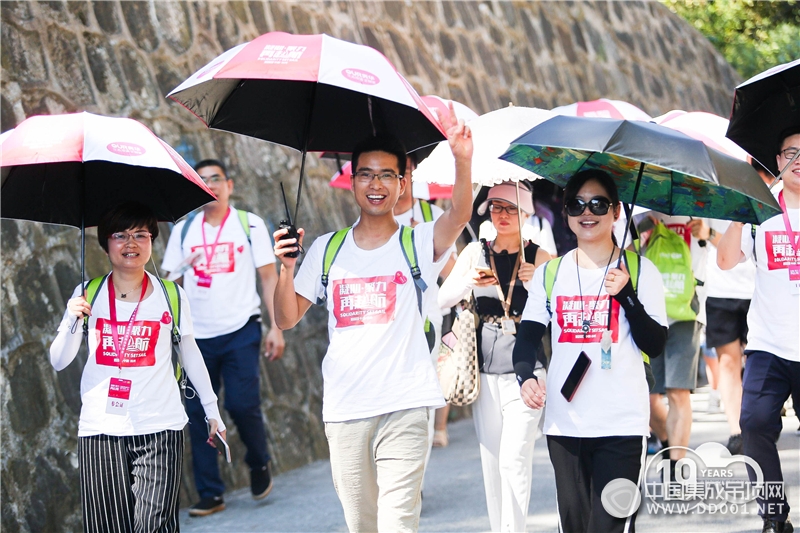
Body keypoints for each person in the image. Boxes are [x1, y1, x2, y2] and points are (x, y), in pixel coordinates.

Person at [272, 106, 473, 532]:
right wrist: (286, 268)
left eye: (387, 175)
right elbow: (286, 317)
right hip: (346, 410)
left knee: (398, 523)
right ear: (352, 181)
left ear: (403, 182)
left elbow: (457, 215)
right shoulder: (328, 249)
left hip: (405, 404)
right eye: (366, 174)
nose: (376, 184)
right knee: (362, 525)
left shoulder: (417, 242)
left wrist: (462, 160)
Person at [49, 201, 225, 533]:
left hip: (161, 425)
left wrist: (211, 408)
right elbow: (59, 361)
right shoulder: (88, 294)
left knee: (155, 525)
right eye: (120, 235)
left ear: (152, 241)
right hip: (101, 430)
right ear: (105, 244)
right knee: (108, 527)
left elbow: (189, 351)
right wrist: (72, 319)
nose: (131, 243)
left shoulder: (171, 294)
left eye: (141, 234)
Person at [513, 169, 668, 533]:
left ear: (616, 211)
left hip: (623, 425)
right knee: (576, 526)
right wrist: (526, 375)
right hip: (565, 425)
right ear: (566, 213)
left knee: (609, 527)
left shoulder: (643, 272)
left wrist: (628, 297)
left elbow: (655, 344)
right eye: (576, 204)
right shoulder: (550, 274)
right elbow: (528, 337)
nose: (587, 212)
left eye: (598, 203)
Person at [161, 159, 284, 516]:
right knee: (198, 411)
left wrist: (276, 327)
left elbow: (268, 277)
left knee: (242, 405)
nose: (211, 185)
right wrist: (185, 264)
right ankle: (210, 493)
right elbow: (169, 281)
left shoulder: (249, 225)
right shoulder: (184, 230)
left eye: (216, 179)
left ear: (229, 185)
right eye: (203, 181)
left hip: (241, 328)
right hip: (196, 336)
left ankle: (259, 461)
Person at [439, 181, 550, 532]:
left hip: (529, 369)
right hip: (484, 369)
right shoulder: (475, 252)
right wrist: (467, 282)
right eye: (496, 207)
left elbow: (560, 314)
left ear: (527, 213)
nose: (503, 215)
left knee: (515, 457)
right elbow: (442, 299)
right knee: (492, 460)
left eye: (512, 208)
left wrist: (538, 286)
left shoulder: (541, 257)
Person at [717, 127, 800, 533]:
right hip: (769, 344)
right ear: (777, 161)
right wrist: (739, 214)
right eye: (790, 152)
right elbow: (725, 261)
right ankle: (773, 516)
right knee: (753, 425)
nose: (799, 159)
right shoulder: (760, 213)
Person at [392, 154, 457, 450]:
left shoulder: (433, 215)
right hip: (388, 321)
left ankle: (415, 480)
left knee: (423, 396)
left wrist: (429, 242)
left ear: (412, 174)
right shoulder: (374, 217)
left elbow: (453, 273)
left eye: (404, 172)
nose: (400, 181)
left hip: (428, 318)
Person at [637, 211, 707, 472]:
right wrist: (642, 230)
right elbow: (620, 251)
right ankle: (667, 440)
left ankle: (677, 464)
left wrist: (706, 233)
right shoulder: (641, 210)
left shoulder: (699, 205)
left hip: (686, 311)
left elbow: (725, 254)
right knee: (649, 395)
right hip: (649, 314)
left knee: (678, 392)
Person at [693, 214, 756, 454]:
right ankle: (737, 430)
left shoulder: (767, 192)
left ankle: (758, 420)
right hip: (721, 291)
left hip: (758, 290)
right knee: (728, 364)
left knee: (756, 363)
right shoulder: (710, 194)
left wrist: (709, 234)